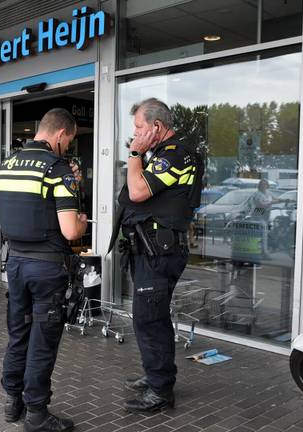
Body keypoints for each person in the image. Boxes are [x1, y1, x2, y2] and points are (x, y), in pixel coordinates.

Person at [0, 108, 87, 432]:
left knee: (18, 333)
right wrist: (81, 220)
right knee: (42, 340)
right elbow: (70, 231)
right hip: (47, 269)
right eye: (70, 141)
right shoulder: (57, 168)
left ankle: (13, 401)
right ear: (61, 134)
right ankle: (37, 413)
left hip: (17, 266)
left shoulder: (8, 165)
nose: (68, 147)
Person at [114, 98, 198, 413]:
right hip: (150, 250)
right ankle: (156, 377)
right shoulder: (163, 154)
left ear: (157, 126)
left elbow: (137, 192)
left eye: (139, 127)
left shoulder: (176, 154)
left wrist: (135, 152)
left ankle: (161, 390)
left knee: (150, 320)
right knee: (151, 319)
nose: (135, 135)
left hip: (159, 252)